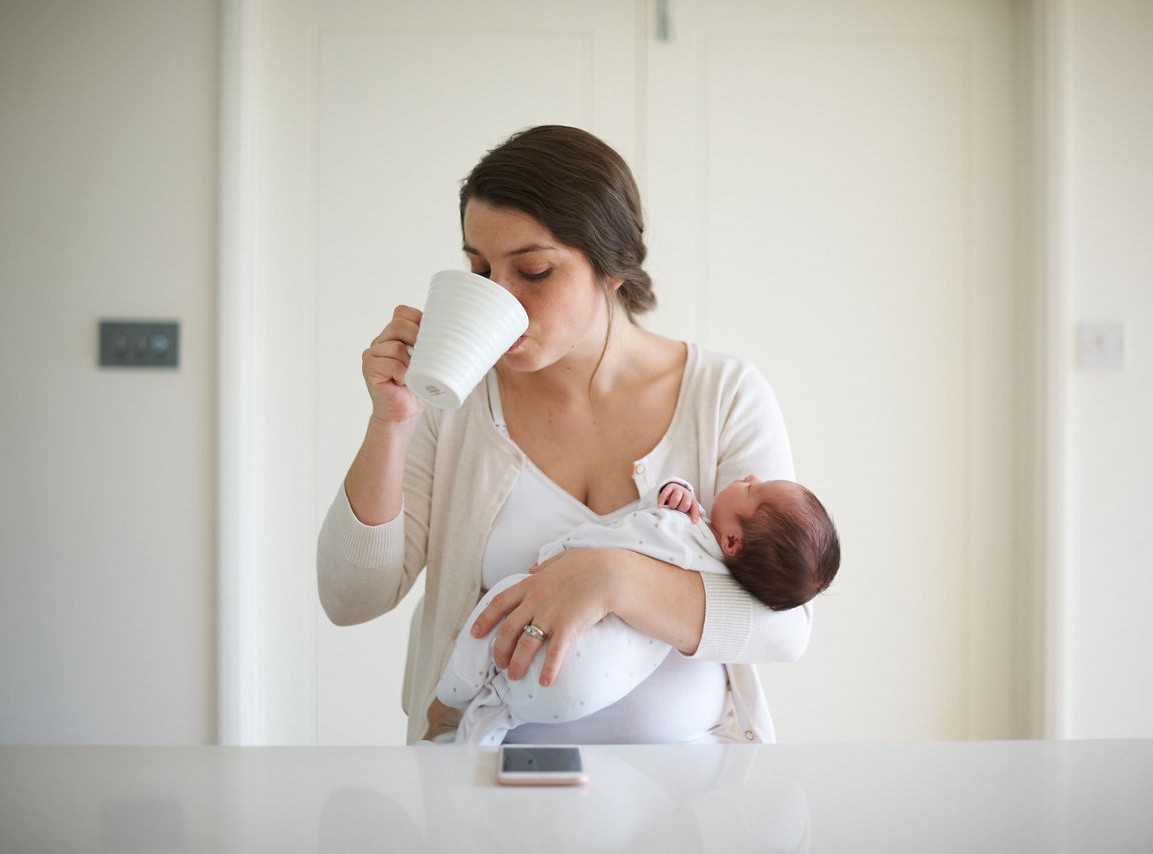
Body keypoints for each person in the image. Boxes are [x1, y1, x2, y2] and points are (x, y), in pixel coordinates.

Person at [317, 124, 815, 745]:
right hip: (479, 796)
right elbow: (350, 597)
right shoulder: (458, 399)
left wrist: (611, 577)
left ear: (612, 269)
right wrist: (390, 424)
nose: (498, 296)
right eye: (478, 267)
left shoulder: (723, 394)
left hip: (687, 805)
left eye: (532, 271)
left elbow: (783, 625)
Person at [438, 476, 840, 744]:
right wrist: (676, 490)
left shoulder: (699, 550)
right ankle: (484, 711)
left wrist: (615, 575)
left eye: (755, 491)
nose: (750, 477)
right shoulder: (713, 560)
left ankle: (456, 690)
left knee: (506, 603)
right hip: (579, 692)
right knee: (507, 701)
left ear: (733, 542)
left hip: (593, 664)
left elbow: (644, 526)